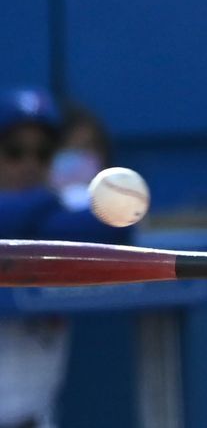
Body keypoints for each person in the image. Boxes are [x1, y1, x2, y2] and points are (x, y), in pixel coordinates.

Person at [0, 88, 130, 428]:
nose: (30, 164)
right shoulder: (50, 207)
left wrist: (48, 204)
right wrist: (51, 198)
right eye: (14, 152)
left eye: (44, 154)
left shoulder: (53, 222)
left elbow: (112, 223)